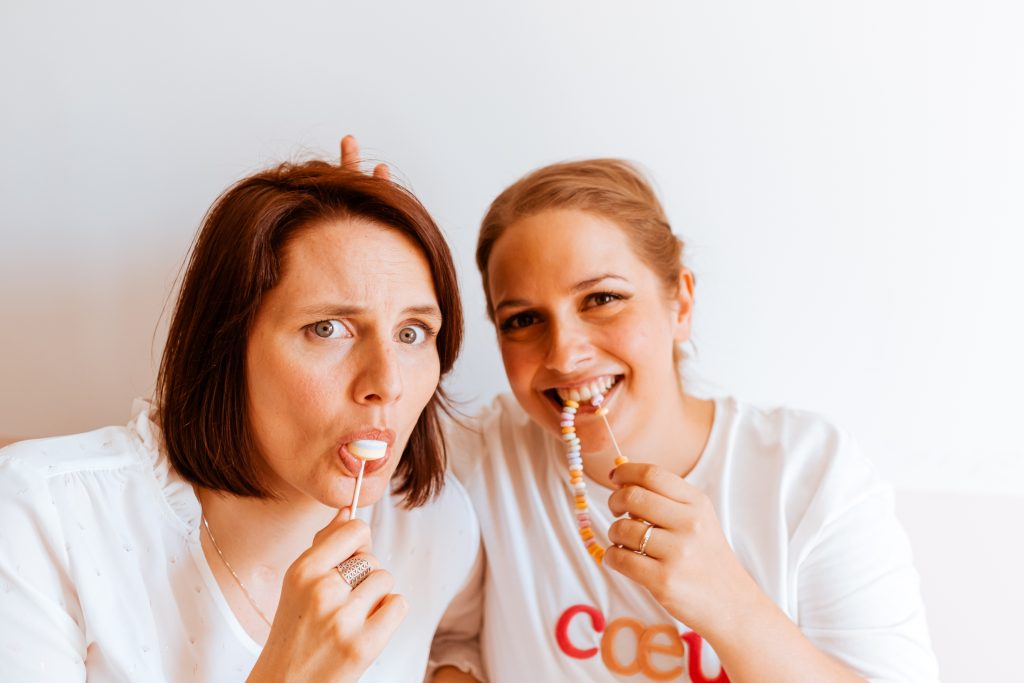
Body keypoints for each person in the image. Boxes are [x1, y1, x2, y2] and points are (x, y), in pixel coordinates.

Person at [431, 158, 940, 682]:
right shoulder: (479, 455)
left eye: (602, 299)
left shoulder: (809, 472)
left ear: (681, 303)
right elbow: (447, 641)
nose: (564, 354)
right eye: (523, 320)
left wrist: (730, 603)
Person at [0, 150, 480, 682]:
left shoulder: (434, 525)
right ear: (225, 345)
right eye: (327, 329)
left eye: (412, 333)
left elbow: (463, 646)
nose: (387, 385)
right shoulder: (37, 518)